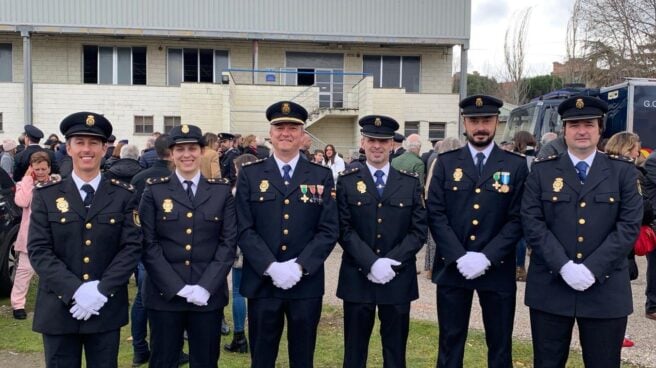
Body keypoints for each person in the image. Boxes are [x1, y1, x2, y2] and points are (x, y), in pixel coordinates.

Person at [521, 96, 642, 368]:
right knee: (547, 362)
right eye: (574, 125)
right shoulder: (543, 171)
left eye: (589, 124)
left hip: (605, 287)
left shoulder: (623, 172)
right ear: (564, 130)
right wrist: (563, 266)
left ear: (600, 129)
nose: (582, 131)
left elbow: (628, 226)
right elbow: (532, 221)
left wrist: (592, 269)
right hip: (552, 286)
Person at [28, 111, 142, 367]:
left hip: (105, 308)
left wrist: (100, 291)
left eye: (94, 143)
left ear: (105, 148)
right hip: (58, 308)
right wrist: (76, 290)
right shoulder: (46, 195)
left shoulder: (123, 195)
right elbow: (39, 250)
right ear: (68, 148)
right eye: (80, 142)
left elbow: (131, 248)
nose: (86, 149)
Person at [427, 95, 529, 368]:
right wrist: (459, 256)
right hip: (453, 267)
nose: (480, 126)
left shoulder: (515, 165)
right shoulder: (446, 162)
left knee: (499, 344)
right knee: (450, 341)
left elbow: (518, 217)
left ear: (497, 122)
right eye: (474, 120)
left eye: (486, 120)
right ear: (464, 122)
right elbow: (436, 214)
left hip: (496, 267)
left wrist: (487, 257)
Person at [236, 100, 339, 367]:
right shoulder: (250, 174)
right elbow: (243, 228)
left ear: (303, 135)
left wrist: (300, 266)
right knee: (261, 357)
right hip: (262, 283)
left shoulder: (321, 175)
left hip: (304, 283)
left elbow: (328, 229)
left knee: (303, 357)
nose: (286, 132)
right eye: (279, 127)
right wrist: (271, 266)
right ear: (270, 133)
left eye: (293, 127)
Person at [140, 124, 237, 367]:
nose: (186, 155)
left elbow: (227, 243)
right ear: (171, 154)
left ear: (202, 151)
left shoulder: (220, 191)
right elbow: (147, 243)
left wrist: (205, 287)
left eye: (192, 148)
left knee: (205, 361)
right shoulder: (155, 190)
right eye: (180, 149)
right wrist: (177, 287)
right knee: (163, 360)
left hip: (207, 296)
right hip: (165, 296)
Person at [336, 115, 427, 367]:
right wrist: (371, 262)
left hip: (397, 278)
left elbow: (418, 230)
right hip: (357, 277)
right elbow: (343, 228)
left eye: (383, 140)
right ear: (362, 142)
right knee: (354, 353)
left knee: (395, 353)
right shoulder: (347, 180)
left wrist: (391, 262)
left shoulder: (409, 183)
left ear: (392, 145)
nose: (377, 146)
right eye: (371, 140)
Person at [604, 131, 647, 348]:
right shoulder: (631, 172)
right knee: (618, 290)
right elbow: (642, 210)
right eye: (636, 148)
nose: (639, 152)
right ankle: (617, 333)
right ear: (629, 148)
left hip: (610, 237)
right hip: (621, 241)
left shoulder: (603, 167)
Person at [10, 152, 58, 320]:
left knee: (53, 269)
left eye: (43, 169)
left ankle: (55, 302)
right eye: (37, 169)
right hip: (30, 234)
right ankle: (18, 305)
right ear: (31, 168)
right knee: (24, 271)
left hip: (52, 233)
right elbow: (22, 202)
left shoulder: (56, 183)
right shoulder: (25, 184)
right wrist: (28, 180)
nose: (41, 172)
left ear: (49, 168)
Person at [224, 153, 259, 354]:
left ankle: (239, 335)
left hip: (241, 245)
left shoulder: (237, 190)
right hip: (257, 246)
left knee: (238, 291)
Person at [424, 136, 462, 279]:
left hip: (435, 204)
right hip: (442, 205)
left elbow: (428, 185)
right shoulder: (440, 162)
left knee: (433, 241)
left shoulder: (437, 160)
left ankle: (431, 268)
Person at [512, 130, 538, 282]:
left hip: (522, 200)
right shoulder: (537, 156)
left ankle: (519, 267)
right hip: (535, 201)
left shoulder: (519, 158)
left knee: (520, 237)